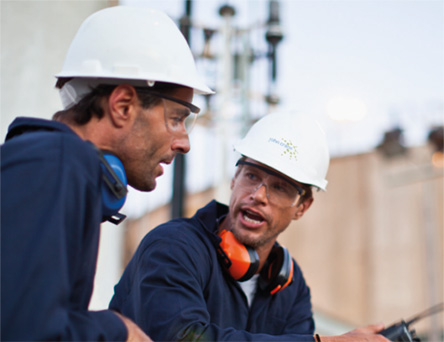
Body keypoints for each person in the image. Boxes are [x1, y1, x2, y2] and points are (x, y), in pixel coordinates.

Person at [1, 6, 212, 342]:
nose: (184, 142)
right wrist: (119, 330)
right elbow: (25, 330)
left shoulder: (50, 166)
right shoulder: (57, 163)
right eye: (176, 118)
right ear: (123, 105)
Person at [109, 112, 390, 342]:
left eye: (280, 188)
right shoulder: (174, 247)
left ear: (302, 207)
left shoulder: (291, 287)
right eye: (252, 175)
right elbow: (184, 339)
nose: (259, 195)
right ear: (234, 179)